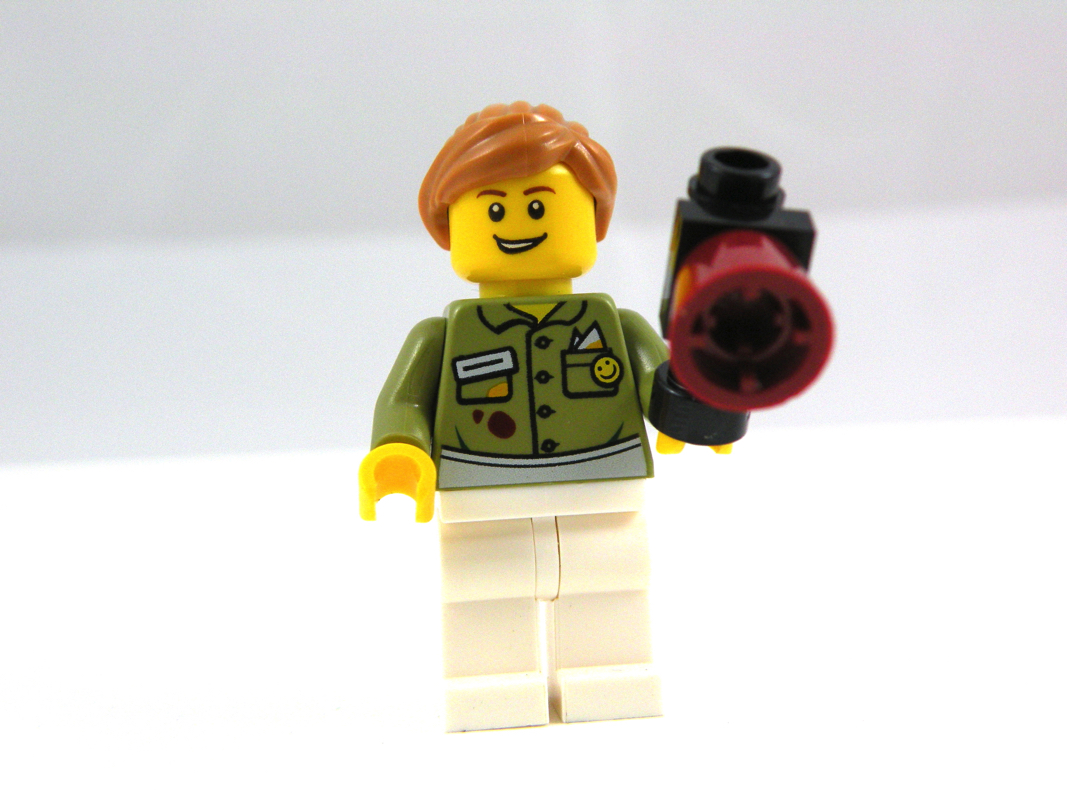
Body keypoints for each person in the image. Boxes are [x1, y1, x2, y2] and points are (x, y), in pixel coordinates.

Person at [360, 102, 672, 732]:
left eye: (539, 206)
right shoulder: (442, 336)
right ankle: (491, 686)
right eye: (494, 210)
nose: (517, 225)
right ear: (450, 227)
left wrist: (699, 402)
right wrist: (400, 447)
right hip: (481, 483)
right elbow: (406, 400)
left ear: (594, 219)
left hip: (602, 479)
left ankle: (608, 675)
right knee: (482, 585)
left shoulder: (617, 326)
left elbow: (662, 386)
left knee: (609, 575)